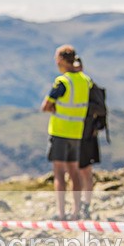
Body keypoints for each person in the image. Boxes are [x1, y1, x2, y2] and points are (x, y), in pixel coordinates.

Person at [40, 45, 92, 220]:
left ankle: (61, 212)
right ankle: (76, 211)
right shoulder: (85, 80)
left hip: (60, 131)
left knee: (59, 174)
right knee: (75, 172)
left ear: (61, 59)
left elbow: (45, 106)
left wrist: (55, 108)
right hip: (77, 132)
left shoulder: (62, 82)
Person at [75, 59, 100, 220]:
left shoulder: (89, 85)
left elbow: (101, 108)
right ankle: (76, 207)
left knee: (85, 171)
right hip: (74, 134)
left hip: (86, 135)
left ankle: (86, 205)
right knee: (74, 171)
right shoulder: (74, 85)